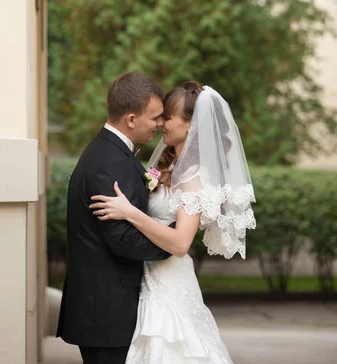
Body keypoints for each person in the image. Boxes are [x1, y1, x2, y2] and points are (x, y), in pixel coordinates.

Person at [90, 82, 256, 364]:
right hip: (145, 274)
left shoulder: (194, 178)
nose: (160, 123)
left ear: (191, 126)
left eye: (167, 116)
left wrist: (130, 213)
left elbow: (180, 244)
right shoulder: (166, 165)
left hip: (169, 280)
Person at [56, 72, 175, 364]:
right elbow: (122, 239)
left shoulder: (111, 154)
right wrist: (174, 240)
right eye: (156, 117)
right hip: (106, 314)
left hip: (103, 311)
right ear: (131, 119)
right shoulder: (109, 163)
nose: (160, 124)